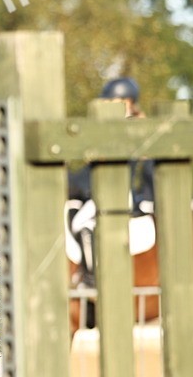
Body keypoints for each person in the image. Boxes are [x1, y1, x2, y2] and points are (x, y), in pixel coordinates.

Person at [67, 77, 156, 283]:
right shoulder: (114, 127)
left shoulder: (131, 128)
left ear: (126, 102)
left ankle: (91, 277)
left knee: (82, 222)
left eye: (110, 102)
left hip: (119, 192)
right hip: (104, 190)